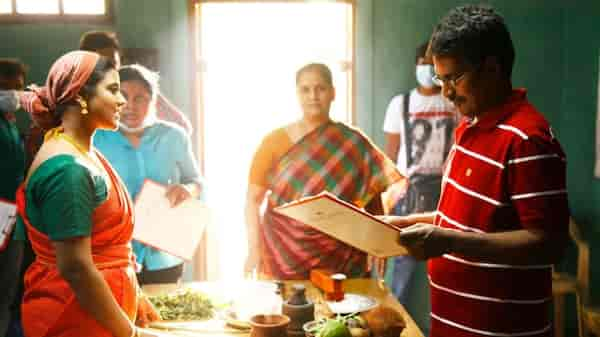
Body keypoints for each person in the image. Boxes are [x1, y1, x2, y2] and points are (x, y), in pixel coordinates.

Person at [380, 5, 569, 337]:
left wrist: (450, 242)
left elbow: (549, 243)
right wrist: (404, 223)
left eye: (453, 78)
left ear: (492, 68)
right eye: (441, 79)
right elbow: (459, 223)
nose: (446, 92)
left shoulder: (527, 139)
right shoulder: (469, 128)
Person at [15, 51, 160, 337]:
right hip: (75, 318)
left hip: (97, 316)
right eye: (114, 90)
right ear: (80, 96)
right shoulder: (67, 170)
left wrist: (134, 294)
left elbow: (103, 245)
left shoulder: (82, 151)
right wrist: (131, 333)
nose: (122, 101)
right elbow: (77, 269)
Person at [245, 63, 403, 280]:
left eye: (320, 88)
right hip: (281, 255)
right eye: (305, 89)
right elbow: (252, 200)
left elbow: (373, 198)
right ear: (297, 94)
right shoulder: (273, 142)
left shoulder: (353, 142)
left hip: (342, 258)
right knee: (286, 313)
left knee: (342, 313)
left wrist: (377, 244)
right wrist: (253, 249)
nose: (313, 96)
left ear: (333, 93)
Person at [94, 64, 203, 285]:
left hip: (163, 252)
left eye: (140, 98)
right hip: (113, 255)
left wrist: (187, 189)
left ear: (152, 101)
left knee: (163, 315)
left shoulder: (173, 136)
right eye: (122, 96)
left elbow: (196, 180)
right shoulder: (97, 139)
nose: (130, 106)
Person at [381, 42, 457, 304]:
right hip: (408, 193)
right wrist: (387, 197)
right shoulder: (400, 104)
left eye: (432, 63)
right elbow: (389, 157)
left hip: (446, 192)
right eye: (423, 62)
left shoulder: (454, 102)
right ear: (416, 65)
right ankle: (395, 322)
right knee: (403, 265)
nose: (427, 68)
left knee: (450, 263)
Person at [80, 30, 193, 134]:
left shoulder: (135, 87)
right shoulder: (75, 96)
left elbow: (182, 126)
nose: (109, 71)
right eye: (102, 64)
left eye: (113, 64)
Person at [0, 59, 26, 337]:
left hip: (11, 215)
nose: (12, 94)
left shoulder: (10, 122)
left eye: (17, 88)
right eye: (4, 87)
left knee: (8, 287)